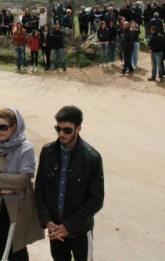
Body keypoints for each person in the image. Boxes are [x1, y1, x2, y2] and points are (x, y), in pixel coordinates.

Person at [35, 106, 104, 261]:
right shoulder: (48, 153)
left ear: (78, 128)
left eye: (67, 130)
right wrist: (47, 220)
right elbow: (40, 189)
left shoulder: (91, 158)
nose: (61, 134)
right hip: (55, 232)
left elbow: (96, 200)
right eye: (57, 129)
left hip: (80, 231)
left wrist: (68, 227)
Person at [0, 108, 44, 261]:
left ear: (14, 127)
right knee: (1, 249)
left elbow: (23, 179)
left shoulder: (25, 148)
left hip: (18, 207)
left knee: (17, 249)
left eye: (3, 127)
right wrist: (0, 191)